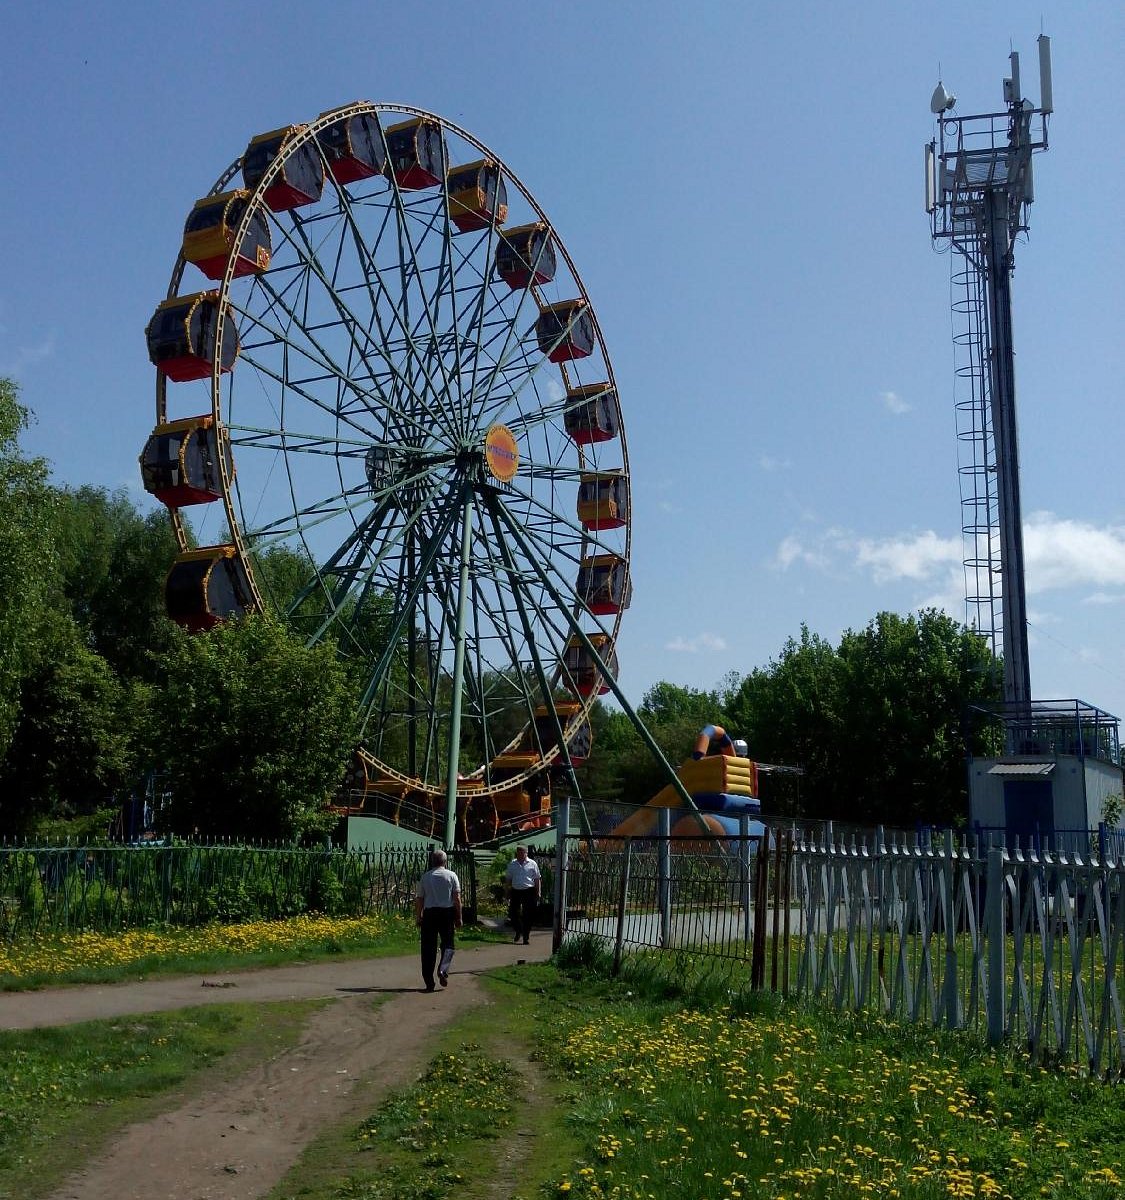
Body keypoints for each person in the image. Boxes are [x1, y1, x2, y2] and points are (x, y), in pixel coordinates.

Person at [414, 848, 462, 992]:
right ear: (445, 861)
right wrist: (458, 917)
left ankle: (429, 981)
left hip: (430, 913)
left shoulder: (426, 877)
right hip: (446, 913)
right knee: (448, 944)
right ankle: (443, 969)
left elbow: (420, 899)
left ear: (432, 861)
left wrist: (419, 916)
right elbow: (457, 899)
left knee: (428, 947)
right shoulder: (451, 876)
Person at [504, 845, 541, 945]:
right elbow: (508, 879)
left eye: (522, 853)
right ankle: (518, 930)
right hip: (516, 890)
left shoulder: (532, 864)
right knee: (513, 913)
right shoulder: (513, 864)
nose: (520, 855)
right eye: (518, 853)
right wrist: (507, 892)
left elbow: (537, 879)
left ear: (526, 853)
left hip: (528, 890)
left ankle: (526, 936)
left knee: (528, 914)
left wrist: (538, 892)